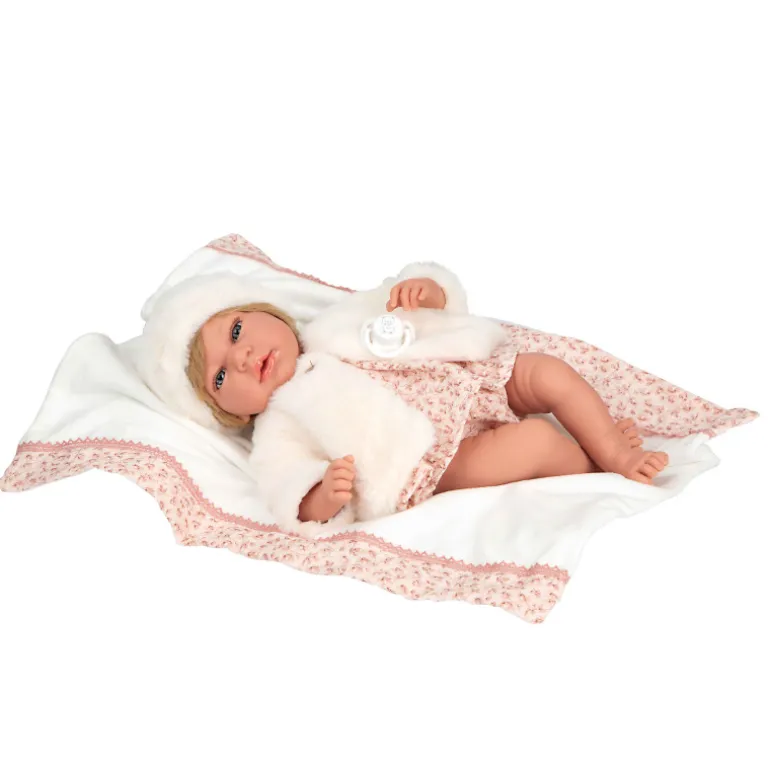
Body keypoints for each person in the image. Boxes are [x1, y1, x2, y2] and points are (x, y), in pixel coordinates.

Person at [136, 261, 668, 533]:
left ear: (264, 311)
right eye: (221, 378)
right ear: (227, 412)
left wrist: (427, 293)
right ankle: (593, 465)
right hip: (434, 459)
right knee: (533, 443)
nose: (244, 357)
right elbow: (284, 484)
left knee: (546, 373)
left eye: (236, 332)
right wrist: (320, 497)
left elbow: (401, 299)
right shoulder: (280, 423)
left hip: (468, 379)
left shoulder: (333, 321)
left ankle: (613, 448)